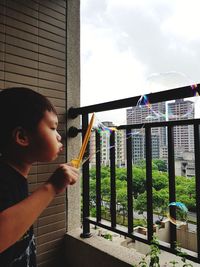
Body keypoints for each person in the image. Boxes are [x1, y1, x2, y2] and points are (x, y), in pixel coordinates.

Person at [0, 87, 80, 267]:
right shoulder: (3, 178)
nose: (59, 135)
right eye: (52, 128)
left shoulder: (15, 176)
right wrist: (52, 187)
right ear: (22, 137)